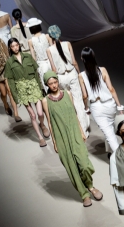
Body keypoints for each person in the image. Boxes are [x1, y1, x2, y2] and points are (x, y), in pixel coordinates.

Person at [41, 71, 102, 207]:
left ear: (58, 81)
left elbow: (75, 114)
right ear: (47, 85)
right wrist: (54, 142)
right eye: (50, 83)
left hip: (74, 131)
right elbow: (50, 122)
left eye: (55, 82)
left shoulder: (67, 94)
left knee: (84, 164)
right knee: (71, 167)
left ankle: (90, 186)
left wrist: (81, 131)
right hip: (61, 136)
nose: (54, 85)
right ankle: (84, 194)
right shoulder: (45, 101)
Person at [4, 38, 50, 147]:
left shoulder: (28, 57)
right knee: (33, 115)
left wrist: (41, 88)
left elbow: (36, 73)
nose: (15, 48)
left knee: (39, 113)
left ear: (19, 45)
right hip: (21, 88)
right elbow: (10, 81)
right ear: (10, 48)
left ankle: (42, 125)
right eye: (12, 46)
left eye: (16, 45)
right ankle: (40, 137)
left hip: (33, 85)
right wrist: (15, 96)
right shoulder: (9, 62)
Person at [78, 47, 124, 155]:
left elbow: (85, 96)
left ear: (82, 58)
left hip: (96, 108)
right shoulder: (102, 70)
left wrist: (86, 108)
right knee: (110, 130)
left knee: (109, 134)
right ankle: (113, 152)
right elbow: (111, 89)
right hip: (110, 104)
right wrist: (119, 107)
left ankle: (122, 158)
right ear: (93, 56)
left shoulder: (81, 76)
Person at [46, 25, 89, 136]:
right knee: (78, 102)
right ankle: (84, 131)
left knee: (68, 103)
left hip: (61, 77)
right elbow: (74, 62)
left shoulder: (49, 50)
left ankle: (75, 130)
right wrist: (80, 74)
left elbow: (53, 69)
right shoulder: (67, 44)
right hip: (72, 74)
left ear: (50, 36)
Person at [27, 18, 52, 91]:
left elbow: (33, 57)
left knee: (47, 85)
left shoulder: (30, 41)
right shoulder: (47, 36)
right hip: (51, 62)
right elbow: (52, 50)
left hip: (41, 65)